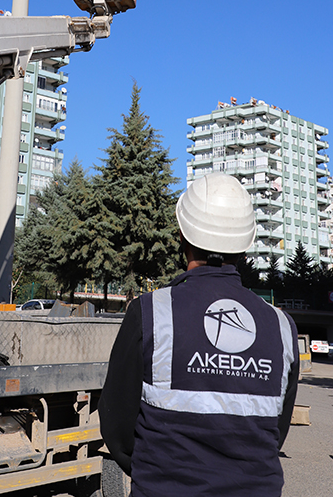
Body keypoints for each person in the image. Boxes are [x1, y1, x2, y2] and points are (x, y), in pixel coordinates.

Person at [98, 173, 299, 497]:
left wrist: (160, 471)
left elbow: (116, 426)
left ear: (182, 235)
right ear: (246, 244)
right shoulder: (281, 327)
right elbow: (275, 432)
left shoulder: (151, 313)